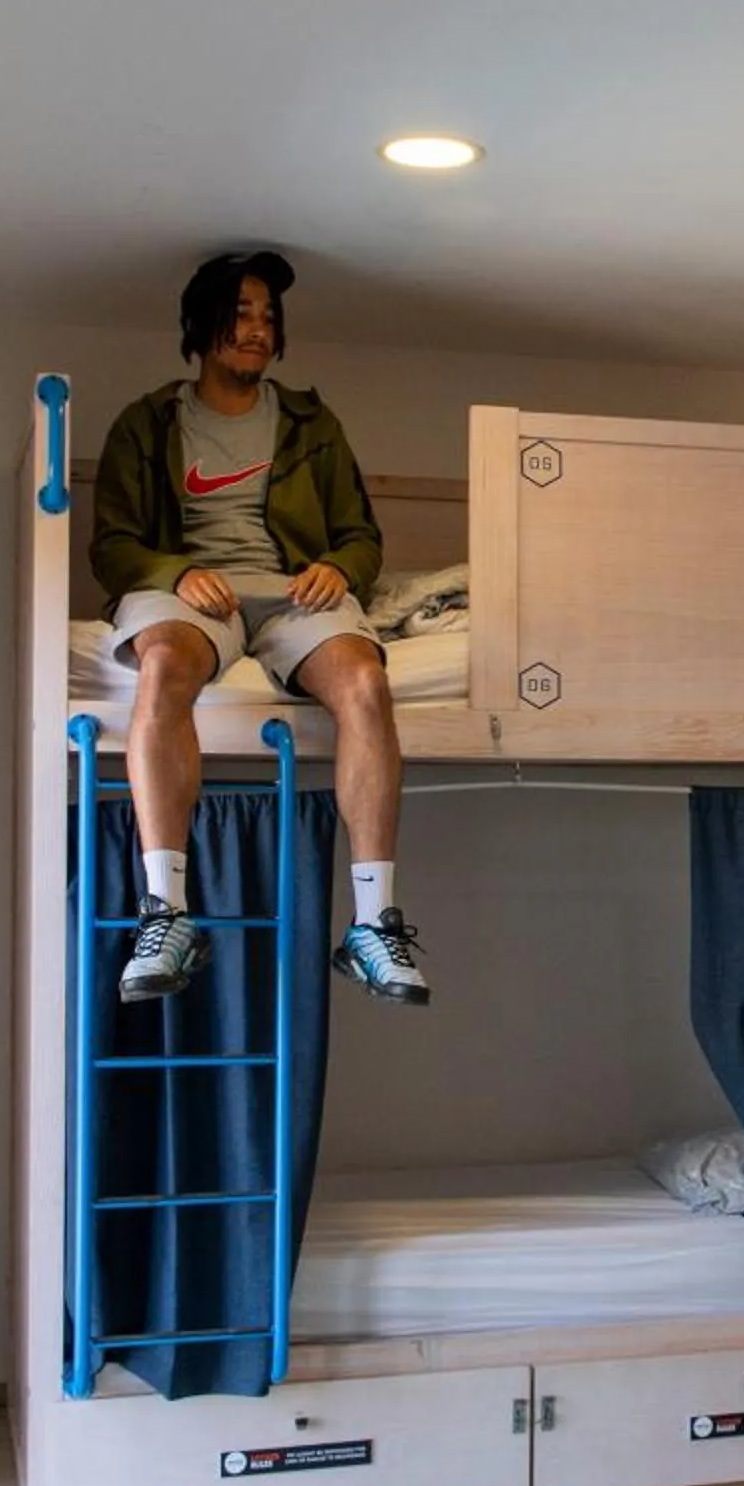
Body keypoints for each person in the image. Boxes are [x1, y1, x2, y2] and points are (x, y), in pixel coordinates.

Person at [91, 248, 428, 1010]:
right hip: (188, 597)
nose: (257, 329)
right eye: (241, 313)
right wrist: (174, 572)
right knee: (164, 665)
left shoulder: (310, 420)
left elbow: (362, 536)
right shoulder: (149, 423)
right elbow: (112, 546)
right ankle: (166, 912)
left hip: (292, 595)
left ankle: (375, 924)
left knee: (367, 682)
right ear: (200, 324)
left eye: (268, 317)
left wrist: (340, 568)